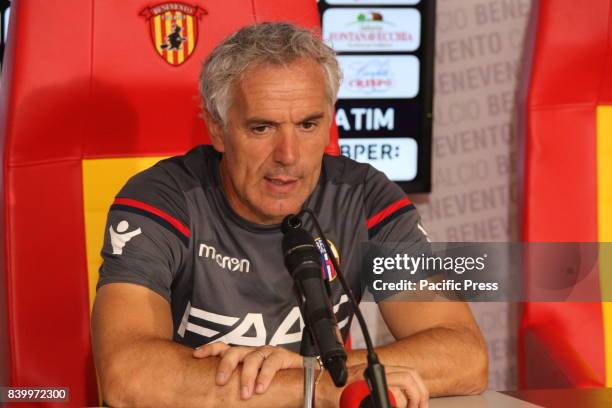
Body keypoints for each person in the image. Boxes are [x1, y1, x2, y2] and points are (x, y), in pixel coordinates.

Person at [91, 22, 488, 408]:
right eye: (262, 128)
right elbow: (127, 375)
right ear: (216, 129)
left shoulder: (365, 198)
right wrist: (312, 387)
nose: (289, 156)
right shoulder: (162, 199)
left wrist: (309, 372)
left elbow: (465, 354)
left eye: (308, 125)